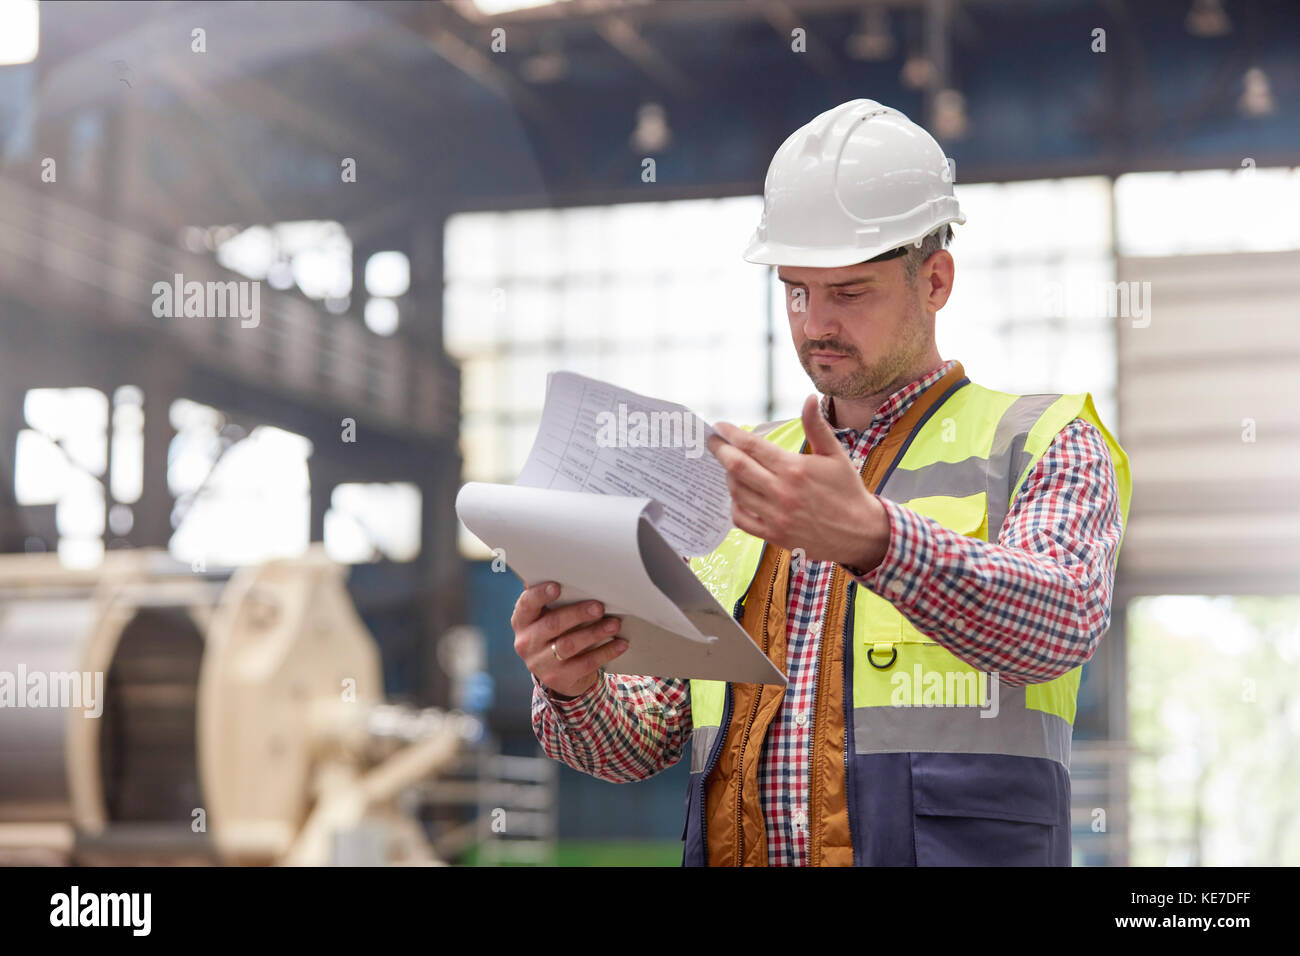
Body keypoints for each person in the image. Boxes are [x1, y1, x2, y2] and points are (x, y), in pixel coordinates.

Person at [511, 99, 1132, 866]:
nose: (814, 325)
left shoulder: (1041, 440)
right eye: (796, 290)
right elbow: (644, 742)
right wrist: (576, 685)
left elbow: (1060, 622)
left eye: (850, 292)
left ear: (934, 279)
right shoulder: (742, 468)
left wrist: (879, 542)